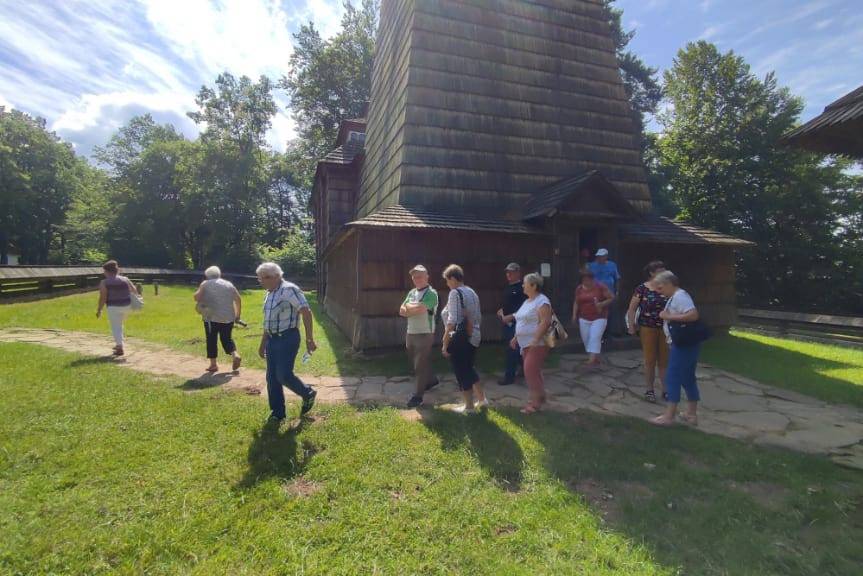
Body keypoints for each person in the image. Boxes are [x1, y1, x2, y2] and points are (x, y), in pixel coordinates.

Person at [256, 262, 317, 422]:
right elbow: (268, 322)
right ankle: (278, 413)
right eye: (259, 278)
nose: (261, 281)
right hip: (272, 339)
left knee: (283, 375)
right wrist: (263, 343)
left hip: (288, 338)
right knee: (271, 378)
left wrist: (309, 338)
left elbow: (306, 312)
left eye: (264, 278)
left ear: (276, 276)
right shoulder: (269, 294)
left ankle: (308, 393)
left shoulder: (289, 290)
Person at [651, 271, 701, 427]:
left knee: (672, 377)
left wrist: (668, 317)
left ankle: (669, 416)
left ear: (668, 284)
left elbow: (693, 315)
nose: (659, 292)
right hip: (688, 343)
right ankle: (691, 414)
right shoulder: (677, 296)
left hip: (683, 344)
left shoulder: (680, 297)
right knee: (687, 377)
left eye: (660, 288)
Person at [502, 273, 552, 414]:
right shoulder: (528, 301)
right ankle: (541, 397)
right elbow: (521, 320)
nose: (523, 285)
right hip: (525, 344)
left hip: (537, 344)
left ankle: (534, 404)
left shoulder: (542, 301)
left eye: (525, 283)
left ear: (534, 286)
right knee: (534, 372)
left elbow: (545, 321)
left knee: (529, 373)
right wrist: (515, 337)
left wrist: (536, 339)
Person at [440, 264, 487, 414]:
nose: (447, 284)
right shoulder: (471, 292)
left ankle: (469, 406)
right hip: (474, 335)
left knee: (462, 370)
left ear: (453, 278)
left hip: (460, 338)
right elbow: (478, 316)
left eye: (447, 281)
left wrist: (445, 342)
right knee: (469, 368)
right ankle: (482, 399)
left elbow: (451, 321)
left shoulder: (455, 293)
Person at [626, 261, 669, 403]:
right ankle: (649, 390)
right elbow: (632, 308)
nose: (663, 273)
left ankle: (666, 390)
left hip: (665, 328)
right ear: (652, 273)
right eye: (660, 271)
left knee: (664, 361)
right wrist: (631, 325)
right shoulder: (642, 288)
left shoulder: (667, 287)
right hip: (647, 327)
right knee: (650, 360)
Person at [399, 265, 440, 408]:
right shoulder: (411, 292)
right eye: (414, 277)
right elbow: (401, 311)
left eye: (420, 276)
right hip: (410, 332)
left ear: (427, 277)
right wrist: (413, 308)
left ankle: (418, 397)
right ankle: (431, 380)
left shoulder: (431, 293)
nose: (417, 279)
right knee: (414, 361)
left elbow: (420, 309)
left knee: (419, 365)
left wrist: (410, 308)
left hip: (425, 333)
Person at [194, 266, 243, 373]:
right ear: (219, 274)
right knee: (227, 338)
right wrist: (237, 315)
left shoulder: (205, 284)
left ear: (207, 275)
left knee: (211, 339)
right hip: (228, 317)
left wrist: (199, 295)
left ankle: (213, 365)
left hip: (211, 317)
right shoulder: (228, 284)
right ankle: (235, 354)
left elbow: (196, 298)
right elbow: (238, 299)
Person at [95, 260, 140, 356]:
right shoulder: (125, 279)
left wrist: (99, 309)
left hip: (113, 307)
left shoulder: (104, 282)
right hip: (127, 306)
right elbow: (135, 291)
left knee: (116, 327)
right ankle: (119, 344)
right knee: (119, 325)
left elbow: (103, 297)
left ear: (107, 271)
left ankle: (119, 346)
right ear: (117, 270)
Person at [571, 268, 614, 366]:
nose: (586, 282)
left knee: (595, 337)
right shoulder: (579, 289)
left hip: (599, 317)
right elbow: (576, 302)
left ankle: (592, 360)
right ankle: (595, 357)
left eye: (588, 279)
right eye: (584, 280)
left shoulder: (600, 286)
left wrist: (601, 304)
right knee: (586, 338)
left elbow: (611, 297)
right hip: (584, 317)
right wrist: (574, 315)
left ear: (592, 279)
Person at [496, 262, 527, 386]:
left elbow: (524, 308)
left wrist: (511, 316)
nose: (509, 274)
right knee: (514, 349)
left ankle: (509, 377)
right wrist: (501, 312)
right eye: (507, 272)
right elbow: (506, 304)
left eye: (512, 272)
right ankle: (524, 369)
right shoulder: (507, 288)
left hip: (517, 323)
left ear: (518, 273)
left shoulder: (522, 288)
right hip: (506, 323)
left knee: (512, 350)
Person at [589, 248, 621, 335]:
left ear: (606, 256)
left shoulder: (612, 265)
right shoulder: (592, 265)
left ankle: (608, 332)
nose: (600, 258)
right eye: (598, 256)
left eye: (602, 256)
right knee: (596, 311)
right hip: (596, 291)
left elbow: (617, 278)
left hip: (609, 292)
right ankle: (597, 331)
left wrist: (617, 291)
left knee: (609, 312)